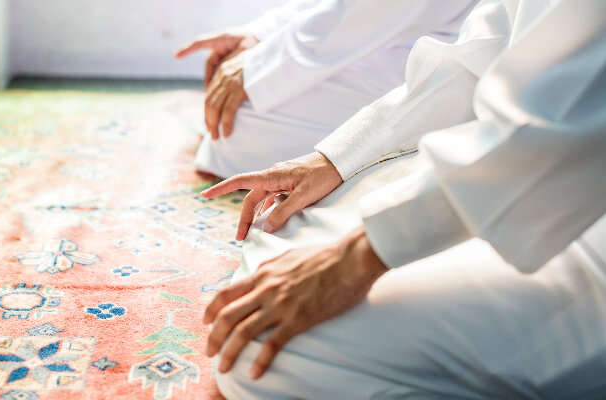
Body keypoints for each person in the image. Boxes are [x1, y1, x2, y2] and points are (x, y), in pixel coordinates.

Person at [200, 0, 606, 398]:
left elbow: (554, 138)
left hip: (578, 219)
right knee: (287, 221)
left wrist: (356, 259)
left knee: (265, 348)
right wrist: (331, 161)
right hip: (517, 169)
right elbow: (475, 60)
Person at [175, 0, 477, 178]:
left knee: (241, 122)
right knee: (234, 111)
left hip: (458, 53)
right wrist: (259, 35)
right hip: (404, 29)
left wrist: (257, 67)